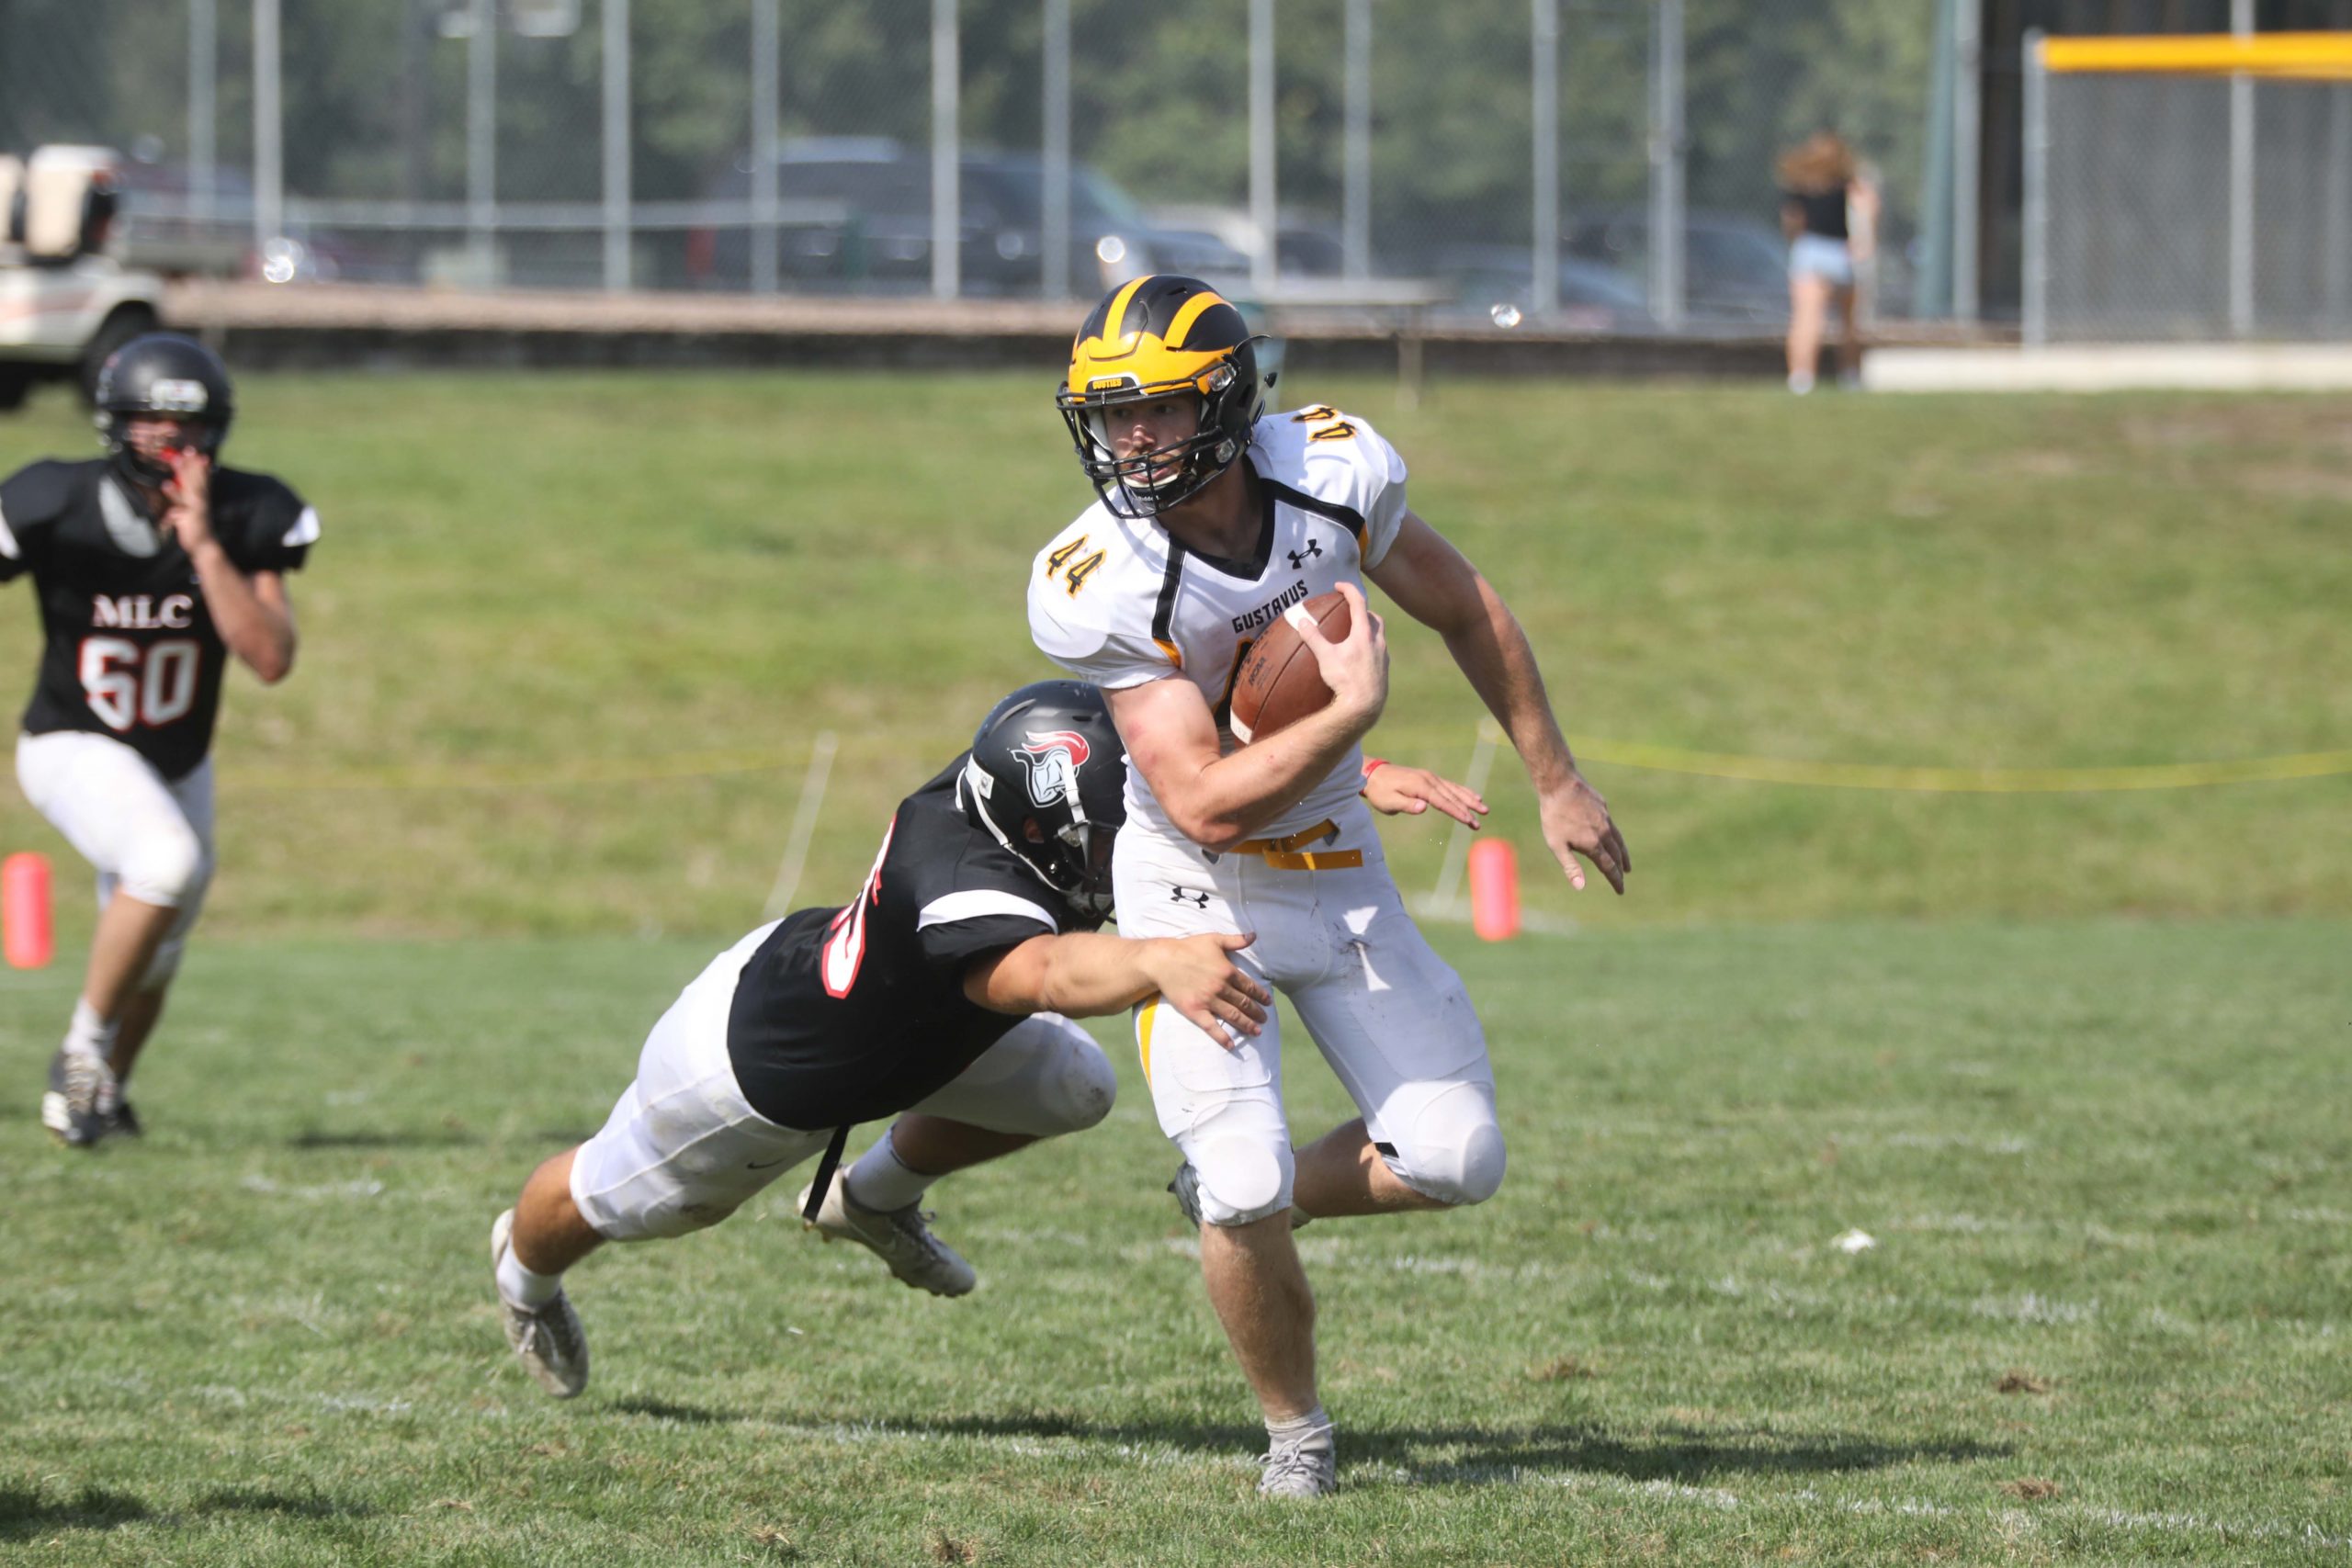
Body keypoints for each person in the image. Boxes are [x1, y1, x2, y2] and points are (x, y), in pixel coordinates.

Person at [1025, 275, 1630, 1497]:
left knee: (1457, 1156)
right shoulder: (1096, 574)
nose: (1129, 438)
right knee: (1245, 1177)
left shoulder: (1335, 469)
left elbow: (1466, 604)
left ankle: (1229, 1192)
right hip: (1193, 885)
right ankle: (1295, 1431)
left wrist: (1556, 776)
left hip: (1338, 859)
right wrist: (1354, 706)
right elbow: (1197, 798)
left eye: (1155, 409)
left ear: (1230, 401)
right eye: (1109, 413)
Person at [488, 680, 1271, 1399]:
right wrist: (1155, 958)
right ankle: (522, 1280)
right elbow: (1048, 971)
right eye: (1111, 833)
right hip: (759, 1073)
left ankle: (867, 1200)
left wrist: (1349, 763)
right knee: (608, 1197)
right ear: (1041, 827)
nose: (1130, 847)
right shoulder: (957, 879)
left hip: (906, 1033)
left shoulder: (1016, 791)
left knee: (1075, 1087)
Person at [0, 333, 314, 1147]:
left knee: (160, 944)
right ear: (115, 425)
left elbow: (271, 656)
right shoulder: (51, 500)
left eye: (191, 425)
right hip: (71, 739)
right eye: (151, 424)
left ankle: (106, 1091)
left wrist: (204, 545)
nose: (173, 444)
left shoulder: (250, 514)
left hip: (178, 759)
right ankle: (79, 1056)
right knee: (164, 863)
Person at [1778, 130, 1879, 394]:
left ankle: (1801, 379)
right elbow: (1868, 207)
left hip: (1809, 249)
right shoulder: (1847, 182)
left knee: (1806, 319)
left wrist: (1794, 239)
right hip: (1840, 252)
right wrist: (1865, 241)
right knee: (1848, 323)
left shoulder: (1800, 185)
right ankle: (1851, 377)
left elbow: (1791, 220)